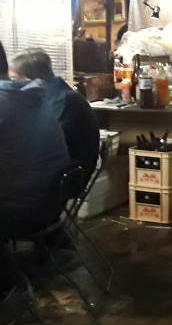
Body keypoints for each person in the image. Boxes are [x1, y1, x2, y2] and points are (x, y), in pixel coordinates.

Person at [0, 43, 71, 241]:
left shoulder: (6, 100)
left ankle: (9, 271)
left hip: (19, 213)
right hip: (51, 204)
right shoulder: (36, 96)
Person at [9, 48, 100, 189]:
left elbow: (47, 146)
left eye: (15, 79)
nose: (12, 84)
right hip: (53, 170)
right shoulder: (51, 94)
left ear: (30, 78)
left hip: (64, 178)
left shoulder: (63, 101)